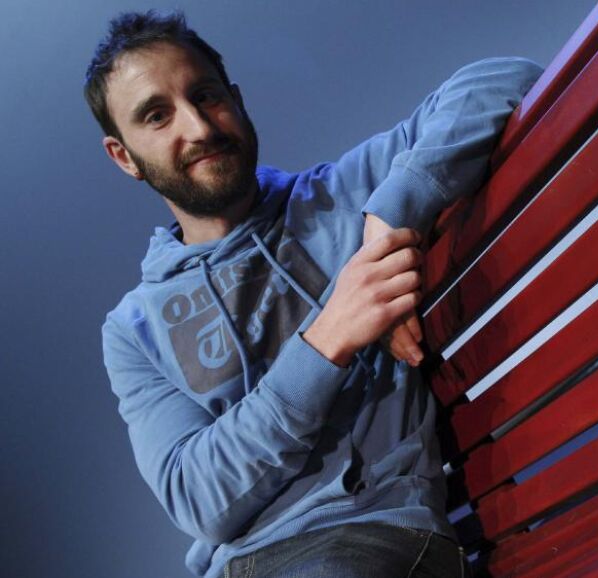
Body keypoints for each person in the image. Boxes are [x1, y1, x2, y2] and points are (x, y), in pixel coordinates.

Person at [89, 10, 541, 578]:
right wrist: (329, 337)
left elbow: (505, 79)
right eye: (158, 116)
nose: (199, 127)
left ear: (237, 100)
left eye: (205, 96)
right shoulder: (133, 329)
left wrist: (389, 219)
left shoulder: (341, 196)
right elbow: (199, 499)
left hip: (369, 533)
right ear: (124, 156)